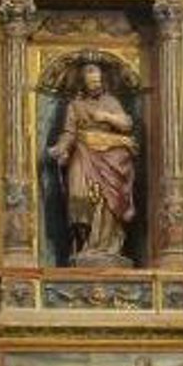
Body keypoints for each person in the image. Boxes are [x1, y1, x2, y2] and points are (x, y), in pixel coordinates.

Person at [48, 59, 138, 264]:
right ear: (83, 84)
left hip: (112, 155)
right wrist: (61, 148)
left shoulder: (111, 102)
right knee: (80, 196)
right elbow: (69, 132)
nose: (95, 85)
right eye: (91, 82)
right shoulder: (75, 105)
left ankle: (107, 246)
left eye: (98, 81)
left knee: (108, 200)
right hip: (83, 151)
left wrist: (106, 116)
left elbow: (126, 124)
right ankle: (85, 244)